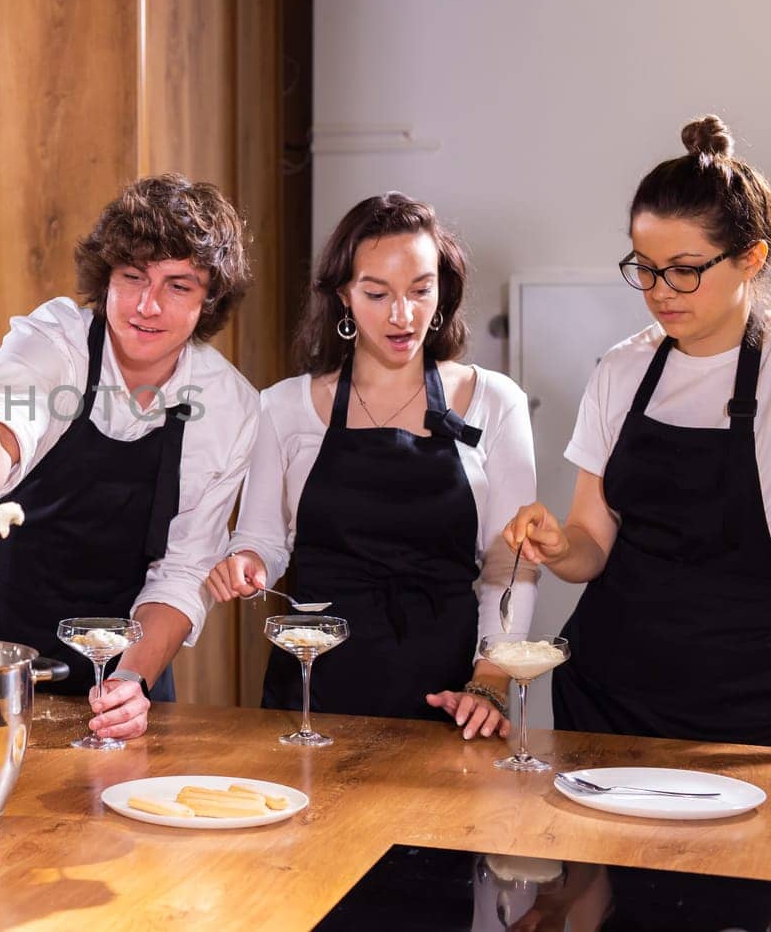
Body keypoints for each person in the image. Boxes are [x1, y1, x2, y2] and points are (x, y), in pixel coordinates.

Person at [0, 174, 257, 743]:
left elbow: (182, 572)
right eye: (133, 278)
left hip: (122, 669)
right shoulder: (58, 341)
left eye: (178, 286)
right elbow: (2, 421)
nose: (148, 306)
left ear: (209, 301)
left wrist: (131, 682)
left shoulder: (229, 407)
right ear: (107, 278)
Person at [207, 193, 536, 737]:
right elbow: (262, 540)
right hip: (313, 692)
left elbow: (513, 566)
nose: (401, 315)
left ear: (443, 290)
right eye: (377, 293)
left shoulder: (496, 401)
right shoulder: (283, 407)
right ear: (344, 296)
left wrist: (490, 681)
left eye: (420, 291)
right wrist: (247, 563)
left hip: (450, 693)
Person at [504, 115, 771, 744]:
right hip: (609, 700)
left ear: (751, 259)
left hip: (746, 715)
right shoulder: (622, 371)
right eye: (643, 267)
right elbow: (592, 544)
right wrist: (557, 543)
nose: (658, 291)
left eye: (683, 269)